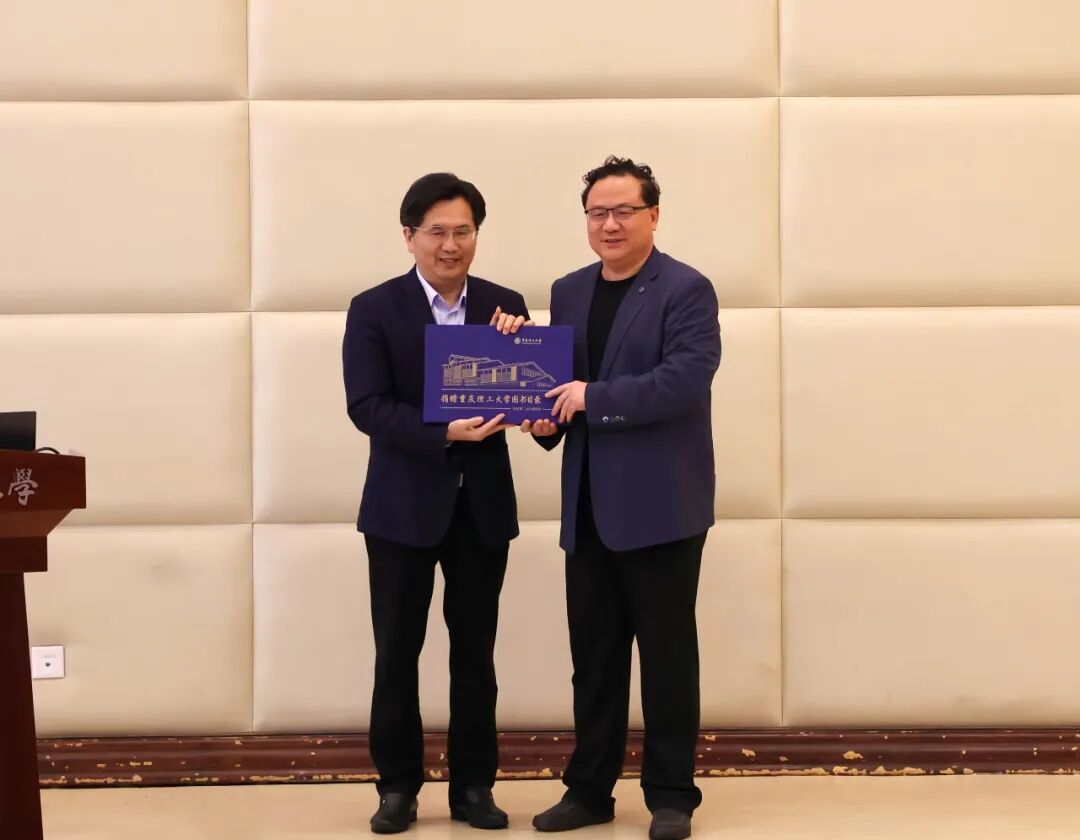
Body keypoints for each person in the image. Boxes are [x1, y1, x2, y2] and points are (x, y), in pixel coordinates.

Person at [525, 156, 721, 840]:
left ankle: (671, 796)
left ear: (653, 216)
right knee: (595, 660)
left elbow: (684, 381)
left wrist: (593, 398)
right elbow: (564, 390)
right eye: (597, 213)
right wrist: (544, 419)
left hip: (662, 507)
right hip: (588, 506)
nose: (609, 224)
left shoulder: (686, 289)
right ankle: (589, 791)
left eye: (623, 211)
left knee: (667, 659)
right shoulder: (569, 290)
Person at [342, 172, 532, 834]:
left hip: (481, 508)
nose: (451, 245)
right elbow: (367, 406)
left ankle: (474, 787)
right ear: (409, 236)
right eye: (437, 232)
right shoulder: (374, 307)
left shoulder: (505, 306)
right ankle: (397, 787)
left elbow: (534, 400)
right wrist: (442, 431)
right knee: (396, 653)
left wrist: (530, 377)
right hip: (400, 509)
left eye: (463, 231)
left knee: (475, 655)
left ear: (477, 234)